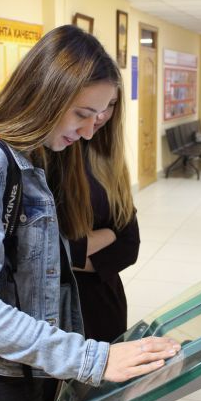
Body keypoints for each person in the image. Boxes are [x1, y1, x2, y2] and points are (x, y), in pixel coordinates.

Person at [0, 25, 180, 401]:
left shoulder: (35, 157)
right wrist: (93, 359)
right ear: (45, 94)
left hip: (36, 367)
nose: (87, 131)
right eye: (82, 114)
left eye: (98, 116)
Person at [69, 86, 140, 344]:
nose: (100, 116)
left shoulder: (108, 158)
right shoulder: (45, 157)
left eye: (110, 104)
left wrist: (71, 254)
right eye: (92, 106)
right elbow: (42, 251)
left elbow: (129, 245)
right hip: (58, 311)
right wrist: (109, 234)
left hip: (104, 304)